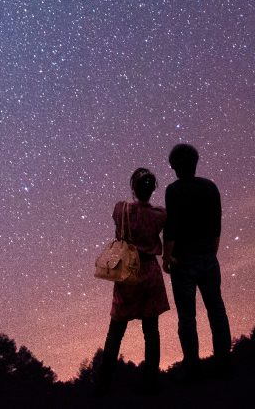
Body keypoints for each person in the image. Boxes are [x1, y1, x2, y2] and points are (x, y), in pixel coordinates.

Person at [95, 167, 169, 395]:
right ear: (153, 189)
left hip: (127, 274)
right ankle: (151, 383)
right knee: (151, 331)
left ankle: (103, 384)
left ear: (133, 188)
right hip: (150, 274)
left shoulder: (121, 209)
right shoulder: (160, 215)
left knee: (115, 331)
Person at [162, 143, 232, 374]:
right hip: (208, 257)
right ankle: (224, 362)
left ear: (175, 167)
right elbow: (216, 224)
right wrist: (211, 252)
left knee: (187, 317)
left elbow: (172, 227)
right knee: (217, 310)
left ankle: (192, 367)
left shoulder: (173, 191)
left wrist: (167, 256)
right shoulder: (210, 187)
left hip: (183, 261)